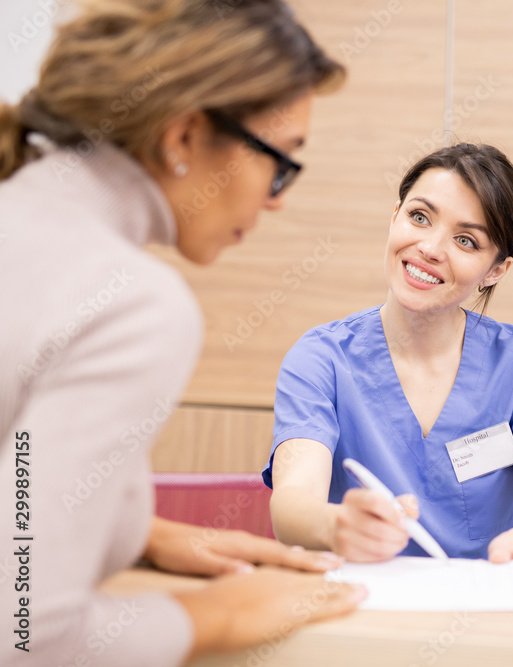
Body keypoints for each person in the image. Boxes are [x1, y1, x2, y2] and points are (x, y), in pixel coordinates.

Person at [0, 1, 366, 665]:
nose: (277, 197)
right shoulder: (132, 303)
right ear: (183, 137)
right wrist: (223, 614)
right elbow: (23, 633)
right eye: (278, 161)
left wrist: (141, 532)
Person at [265, 144, 513, 563]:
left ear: (496, 270)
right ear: (394, 215)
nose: (431, 248)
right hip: (366, 602)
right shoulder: (321, 358)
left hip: (488, 599)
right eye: (419, 217)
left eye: (466, 240)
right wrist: (334, 525)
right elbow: (292, 499)